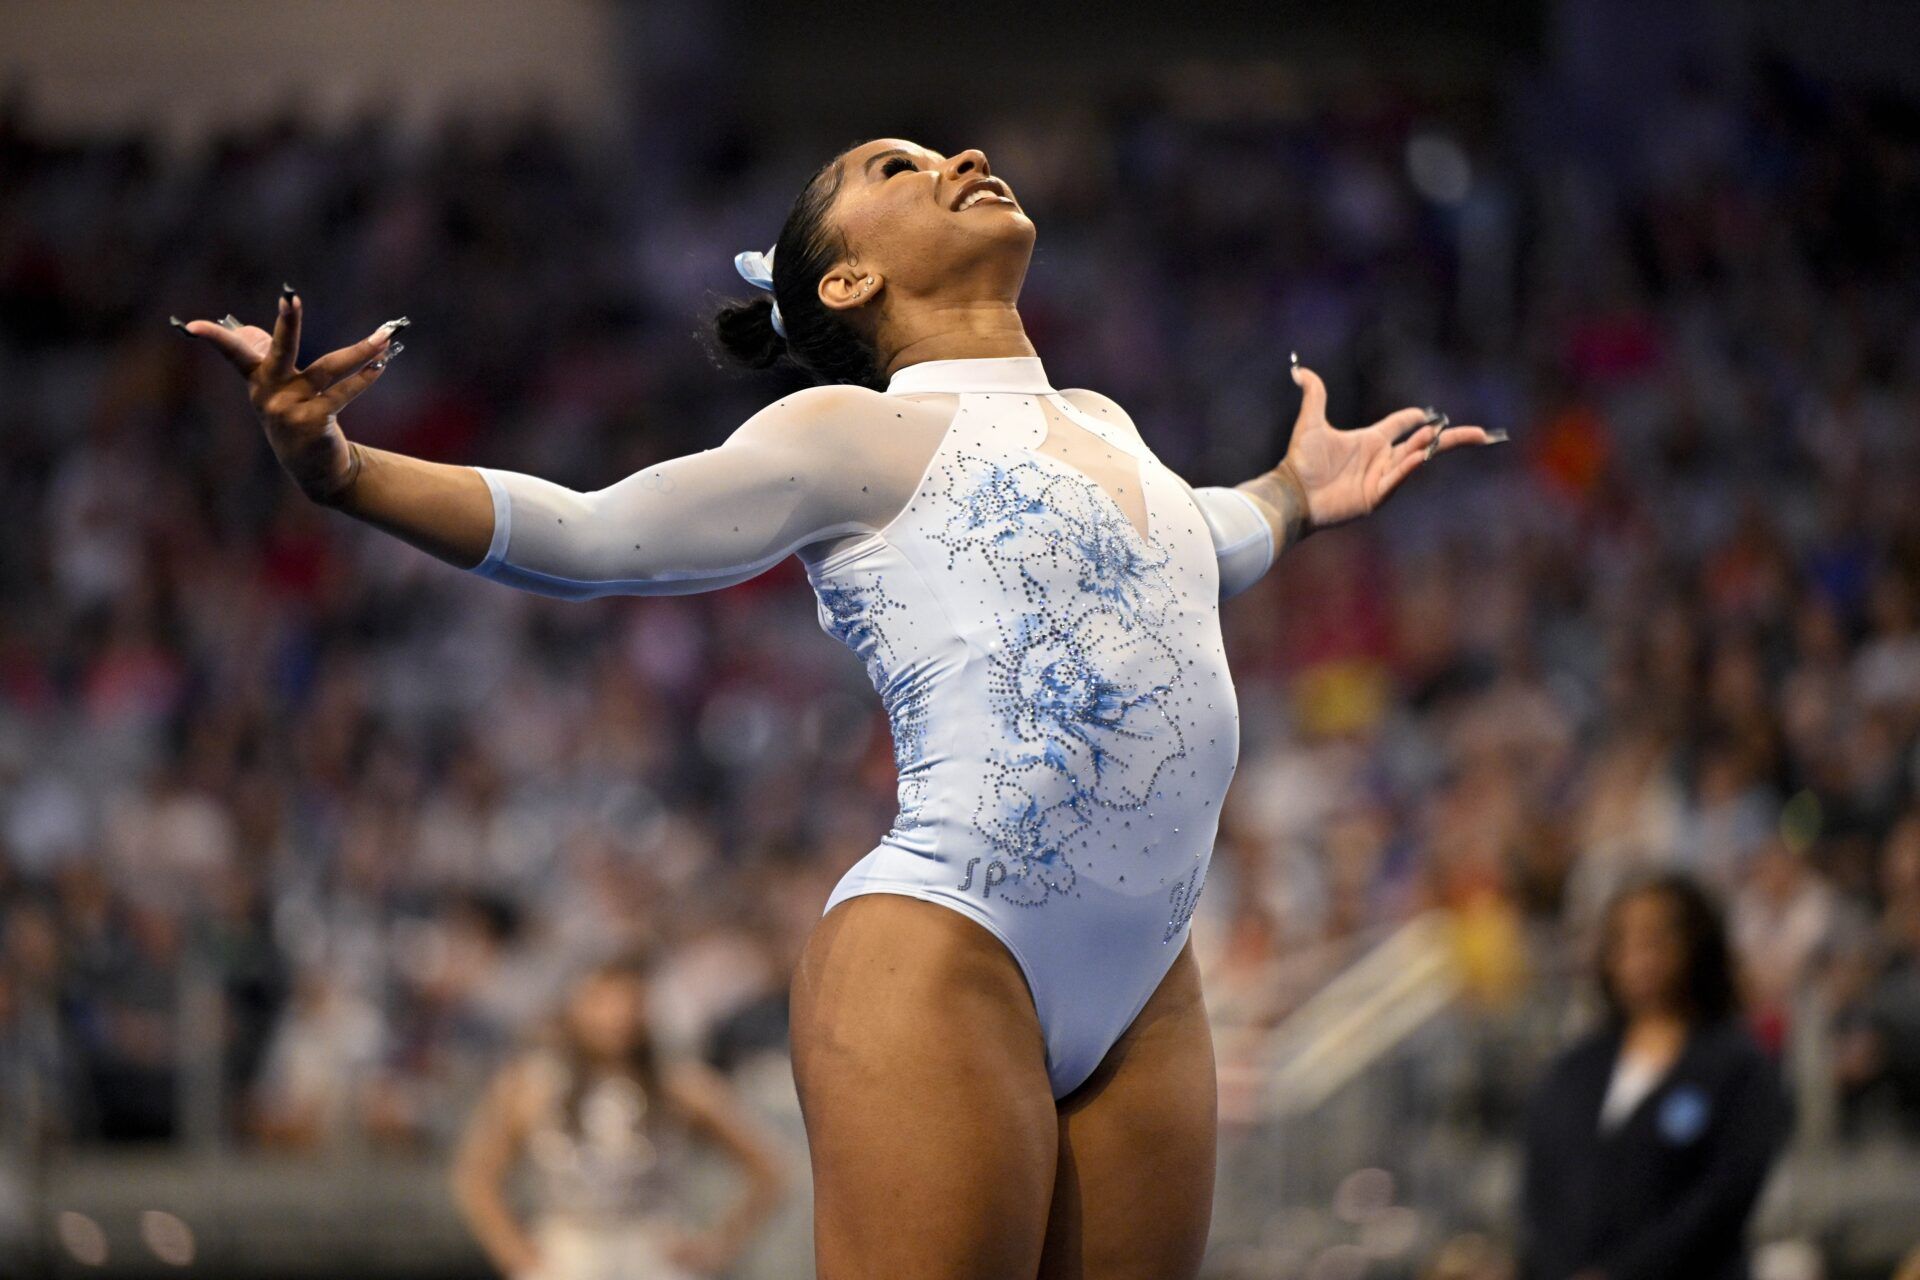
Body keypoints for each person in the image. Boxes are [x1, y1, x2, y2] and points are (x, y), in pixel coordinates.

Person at [179, 137, 1498, 1278]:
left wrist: (1293, 496)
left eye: (943, 153)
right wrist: (341, 469)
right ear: (848, 279)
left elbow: (1191, 537)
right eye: (897, 169)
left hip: (1149, 982)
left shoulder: (1102, 419)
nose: (958, 163)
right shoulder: (844, 435)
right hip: (946, 949)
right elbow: (588, 534)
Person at [1520, 873, 1791, 1280]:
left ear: (1695, 943)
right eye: (1623, 941)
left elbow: (1724, 1196)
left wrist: (1622, 1273)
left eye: (1655, 939)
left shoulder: (1736, 1065)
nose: (1639, 958)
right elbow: (1541, 1185)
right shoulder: (1576, 1066)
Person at [451, 956, 786, 1279]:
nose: (614, 1016)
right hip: (565, 1253)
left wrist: (718, 1245)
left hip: (652, 1255)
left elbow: (769, 1169)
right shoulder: (531, 1085)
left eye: (627, 1001)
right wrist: (515, 1253)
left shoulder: (678, 1085)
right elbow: (477, 1177)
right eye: (601, 1000)